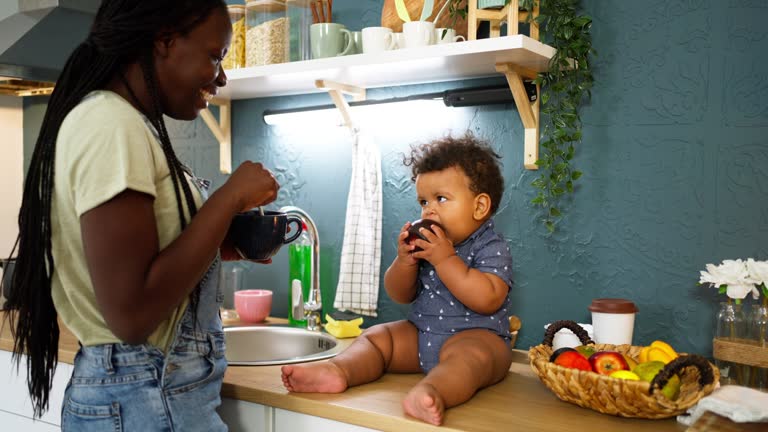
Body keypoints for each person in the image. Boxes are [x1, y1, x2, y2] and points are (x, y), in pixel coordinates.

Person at [2, 1, 279, 430]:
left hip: (146, 396)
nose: (221, 77)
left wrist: (223, 242)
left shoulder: (120, 121)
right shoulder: (111, 124)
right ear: (166, 42)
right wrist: (227, 200)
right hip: (146, 397)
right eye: (215, 56)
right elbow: (131, 315)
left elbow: (141, 263)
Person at [281, 133, 514, 426]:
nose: (429, 210)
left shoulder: (490, 245)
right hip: (421, 335)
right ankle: (338, 371)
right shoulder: (428, 246)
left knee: (469, 358)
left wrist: (445, 260)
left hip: (478, 338)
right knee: (379, 337)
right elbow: (399, 294)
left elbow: (487, 297)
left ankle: (431, 392)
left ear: (479, 207)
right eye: (423, 201)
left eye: (441, 199)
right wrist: (405, 261)